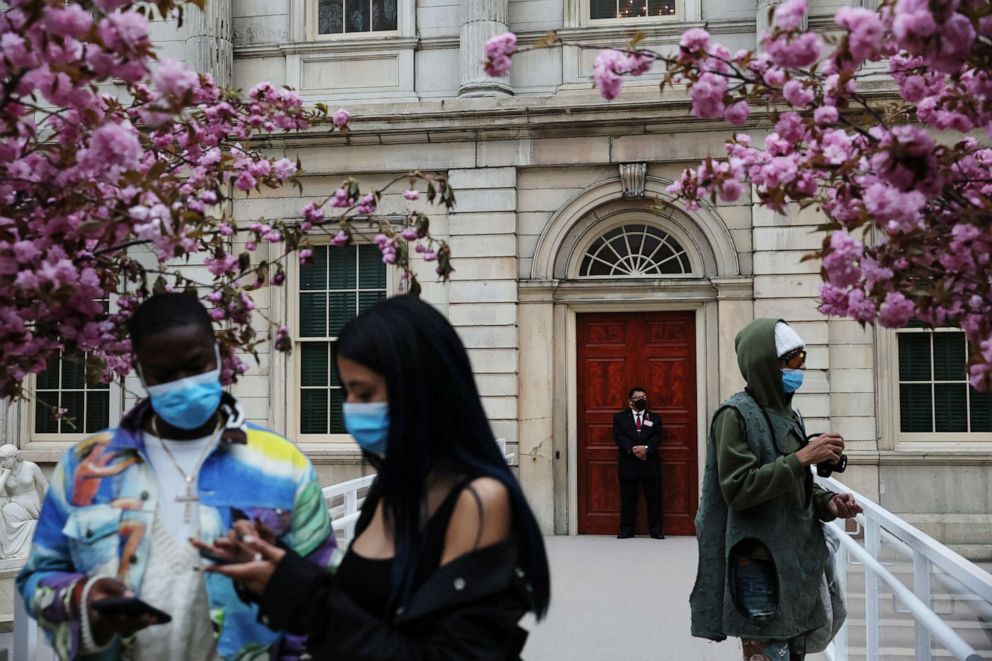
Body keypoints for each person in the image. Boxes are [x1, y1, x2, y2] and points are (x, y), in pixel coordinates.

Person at [193, 294, 551, 659]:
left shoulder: (477, 499)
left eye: (364, 393)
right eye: (346, 392)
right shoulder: (393, 483)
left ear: (420, 387)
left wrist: (299, 592)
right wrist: (277, 566)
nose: (351, 409)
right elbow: (366, 608)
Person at [17, 292, 335, 660]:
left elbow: (324, 587)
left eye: (196, 364)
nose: (183, 382)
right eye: (164, 375)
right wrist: (85, 602)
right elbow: (39, 576)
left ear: (218, 356)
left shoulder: (283, 464)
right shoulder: (85, 466)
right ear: (139, 372)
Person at [690, 319, 861, 661]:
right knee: (767, 653)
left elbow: (797, 486)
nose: (802, 368)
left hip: (796, 559)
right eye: (794, 360)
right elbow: (738, 489)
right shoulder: (734, 415)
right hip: (758, 563)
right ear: (765, 363)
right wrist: (802, 457)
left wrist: (830, 503)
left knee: (794, 650)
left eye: (802, 358)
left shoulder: (789, 415)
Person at [613, 387, 664, 539]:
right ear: (630, 401)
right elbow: (618, 435)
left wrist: (646, 449)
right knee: (628, 499)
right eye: (637, 398)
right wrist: (633, 449)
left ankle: (656, 531)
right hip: (629, 463)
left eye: (644, 397)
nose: (641, 400)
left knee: (654, 499)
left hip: (650, 463)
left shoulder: (654, 418)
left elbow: (658, 436)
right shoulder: (620, 417)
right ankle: (627, 530)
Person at [0, 444, 48, 558]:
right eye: (1, 459)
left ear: (15, 457)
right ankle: (9, 549)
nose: (2, 462)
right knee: (5, 512)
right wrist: (5, 474)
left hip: (32, 503)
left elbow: (45, 485)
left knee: (6, 512)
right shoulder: (3, 471)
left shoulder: (31, 467)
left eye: (5, 459)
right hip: (14, 501)